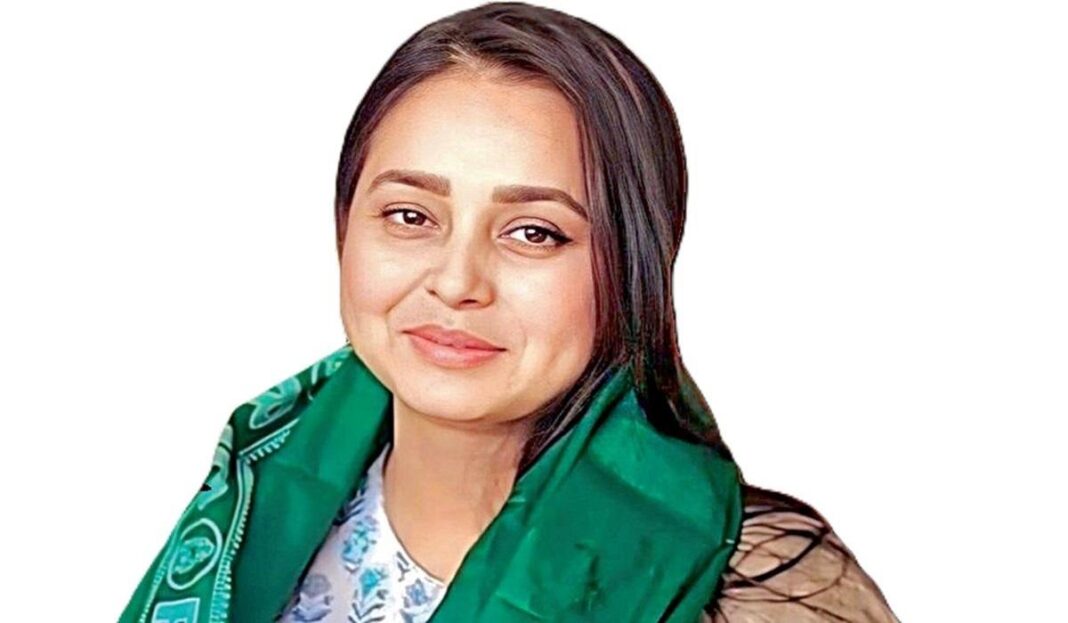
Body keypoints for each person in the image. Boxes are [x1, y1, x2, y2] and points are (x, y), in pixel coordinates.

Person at [119, 3, 900, 621]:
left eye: (534, 232)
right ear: (343, 228)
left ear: (632, 272)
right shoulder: (251, 503)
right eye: (410, 216)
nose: (458, 281)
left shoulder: (766, 587)